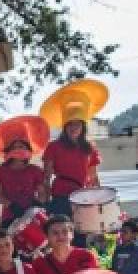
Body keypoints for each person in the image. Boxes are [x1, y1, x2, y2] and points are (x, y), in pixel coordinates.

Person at [39, 79, 107, 218]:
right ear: (65, 126)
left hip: (84, 196)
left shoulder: (90, 147)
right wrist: (45, 201)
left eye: (77, 124)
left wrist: (99, 199)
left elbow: (93, 177)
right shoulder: (53, 146)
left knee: (82, 235)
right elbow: (46, 177)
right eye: (70, 124)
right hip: (61, 195)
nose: (74, 128)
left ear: (83, 127)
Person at [0, 115, 50, 228]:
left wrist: (37, 204)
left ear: (28, 149)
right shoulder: (0, 171)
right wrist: (11, 206)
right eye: (15, 146)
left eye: (22, 146)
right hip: (9, 216)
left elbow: (42, 193)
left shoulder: (35, 170)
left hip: (32, 216)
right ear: (8, 150)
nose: (19, 149)